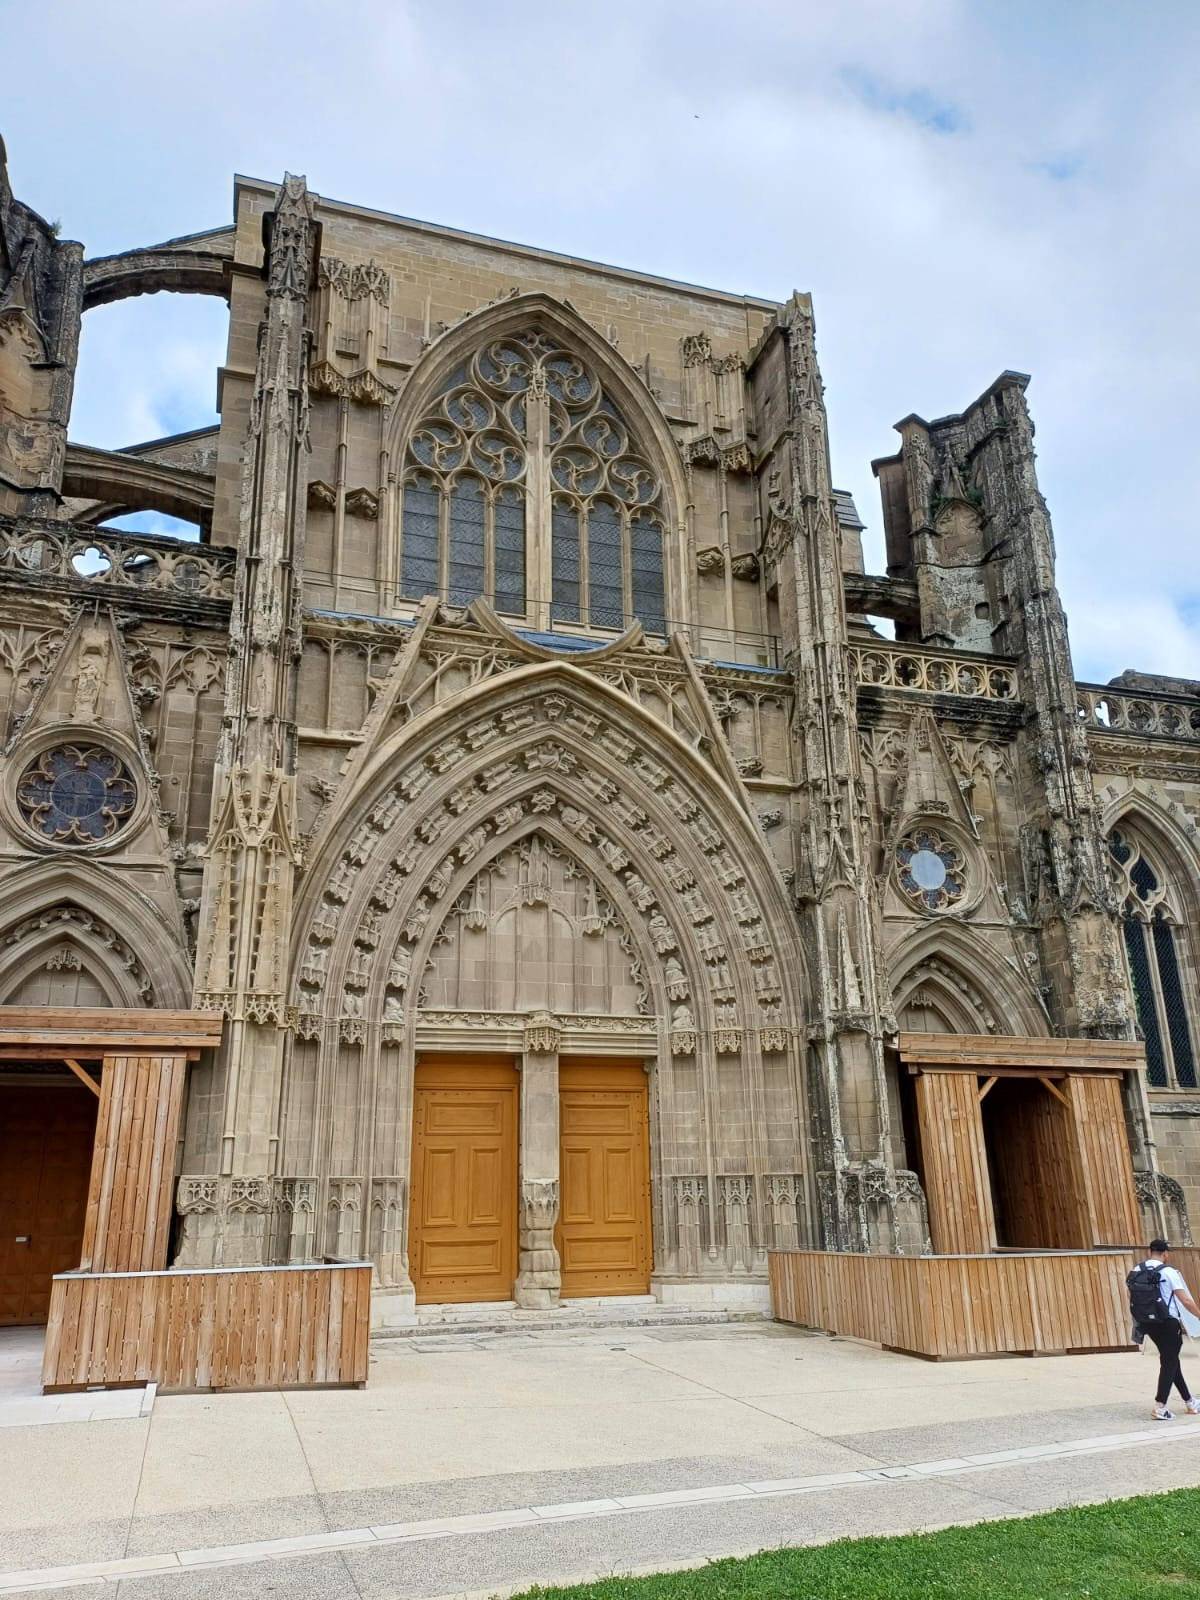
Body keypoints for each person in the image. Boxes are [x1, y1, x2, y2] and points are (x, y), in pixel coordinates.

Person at [1128, 1239, 1200, 1420]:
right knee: (1169, 1362)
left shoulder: (1137, 1270)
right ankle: (1160, 1406)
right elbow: (1185, 1300)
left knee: (1171, 1360)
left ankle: (1190, 1402)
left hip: (1147, 1323)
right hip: (1168, 1323)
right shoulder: (1168, 1272)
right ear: (1165, 1253)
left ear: (1150, 1251)